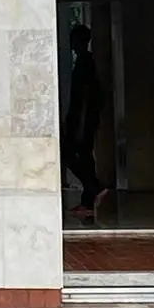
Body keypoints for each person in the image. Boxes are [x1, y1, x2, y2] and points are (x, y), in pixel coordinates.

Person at [61, 26, 110, 218]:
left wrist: (79, 122)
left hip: (82, 121)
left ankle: (94, 188)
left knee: (71, 155)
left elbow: (85, 98)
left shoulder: (85, 64)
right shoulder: (85, 63)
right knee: (84, 157)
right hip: (83, 120)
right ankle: (88, 200)